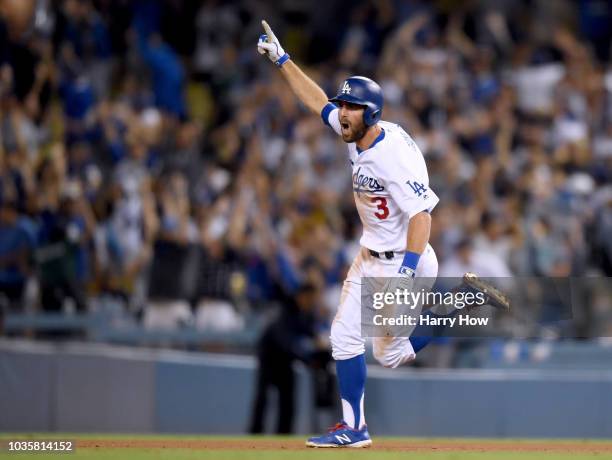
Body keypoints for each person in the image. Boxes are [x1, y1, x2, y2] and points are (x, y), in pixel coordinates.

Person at [257, 21, 442, 448]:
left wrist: (407, 275)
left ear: (371, 114)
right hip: (371, 253)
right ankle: (354, 428)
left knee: (389, 355)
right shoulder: (356, 132)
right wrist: (283, 60)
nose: (343, 112)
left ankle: (466, 301)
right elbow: (317, 102)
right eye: (345, 105)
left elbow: (422, 217)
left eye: (352, 107)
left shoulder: (390, 156)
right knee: (344, 337)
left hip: (402, 258)